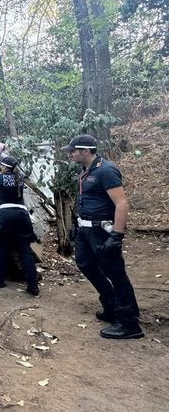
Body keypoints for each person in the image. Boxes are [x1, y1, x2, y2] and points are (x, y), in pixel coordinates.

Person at [62, 134, 143, 339]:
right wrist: (76, 225)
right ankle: (111, 306)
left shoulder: (106, 170)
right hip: (85, 230)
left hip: (102, 231)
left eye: (73, 151)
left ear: (86, 151)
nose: (70, 154)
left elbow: (121, 203)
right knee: (85, 264)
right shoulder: (86, 171)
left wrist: (117, 235)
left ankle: (129, 323)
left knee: (116, 274)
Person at [0, 156, 39, 296]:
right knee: (25, 251)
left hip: (6, 215)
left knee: (4, 248)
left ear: (3, 167)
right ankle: (33, 286)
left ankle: (0, 280)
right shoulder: (19, 178)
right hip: (22, 215)